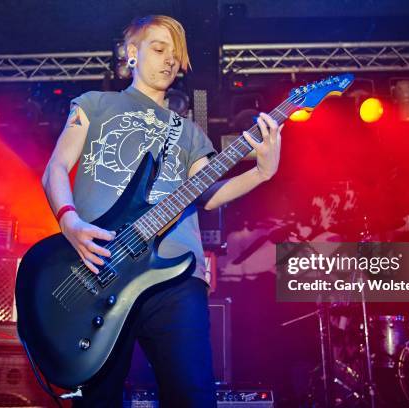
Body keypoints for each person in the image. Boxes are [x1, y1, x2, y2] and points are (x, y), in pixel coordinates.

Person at [41, 15, 282, 407]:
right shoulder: (93, 105)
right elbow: (55, 168)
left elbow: (207, 194)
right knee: (97, 399)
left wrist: (261, 172)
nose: (170, 60)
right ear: (131, 54)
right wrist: (69, 221)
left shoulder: (188, 132)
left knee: (192, 396)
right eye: (159, 49)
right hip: (100, 271)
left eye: (176, 55)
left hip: (175, 276)